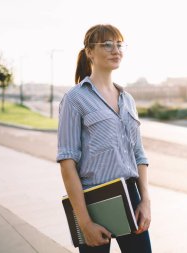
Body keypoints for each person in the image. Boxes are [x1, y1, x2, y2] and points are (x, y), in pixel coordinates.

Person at [57, 24, 152, 253]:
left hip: (131, 196)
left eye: (119, 45)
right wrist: (84, 222)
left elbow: (139, 154)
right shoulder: (74, 99)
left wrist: (145, 201)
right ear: (89, 51)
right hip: (93, 201)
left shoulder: (127, 99)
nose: (115, 50)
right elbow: (67, 162)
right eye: (107, 44)